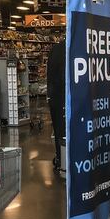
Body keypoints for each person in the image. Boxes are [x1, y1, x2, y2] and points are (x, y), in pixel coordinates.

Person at [46, 41, 66, 171]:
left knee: (59, 129)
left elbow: (51, 73)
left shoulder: (56, 49)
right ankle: (65, 160)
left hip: (55, 96)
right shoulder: (75, 47)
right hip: (65, 95)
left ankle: (60, 158)